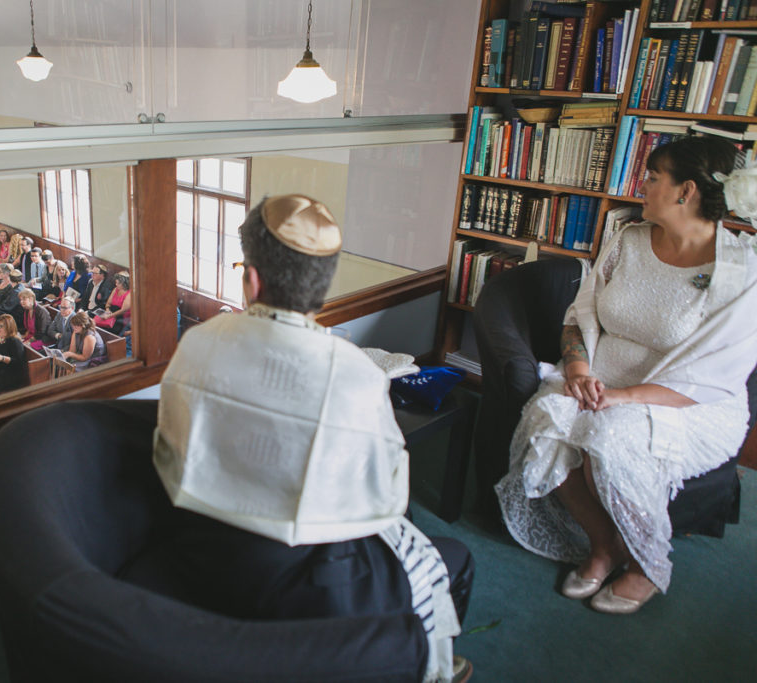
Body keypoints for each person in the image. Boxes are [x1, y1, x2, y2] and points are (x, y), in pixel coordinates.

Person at [135, 195, 474, 683]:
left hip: (203, 554)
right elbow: (388, 495)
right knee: (452, 558)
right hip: (317, 582)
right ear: (324, 285)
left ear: (251, 279)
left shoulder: (199, 343)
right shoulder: (356, 374)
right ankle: (419, 660)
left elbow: (171, 452)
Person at [496, 137, 757, 616]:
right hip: (599, 375)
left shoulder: (741, 271)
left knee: (607, 438)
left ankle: (646, 564)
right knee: (545, 420)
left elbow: (717, 369)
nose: (644, 184)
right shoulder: (628, 240)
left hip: (688, 401)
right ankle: (603, 545)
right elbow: (581, 313)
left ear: (686, 191)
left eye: (654, 176)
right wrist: (576, 367)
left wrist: (624, 397)